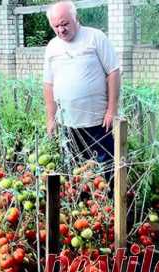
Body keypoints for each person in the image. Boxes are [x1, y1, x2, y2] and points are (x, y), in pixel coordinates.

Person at [43, 0, 120, 171]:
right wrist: (50, 119)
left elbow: (113, 72)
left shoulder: (95, 37)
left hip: (98, 122)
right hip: (67, 124)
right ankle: (79, 198)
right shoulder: (52, 47)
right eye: (56, 26)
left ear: (75, 17)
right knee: (74, 173)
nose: (61, 30)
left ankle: (109, 196)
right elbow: (49, 84)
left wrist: (111, 110)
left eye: (65, 24)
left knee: (105, 168)